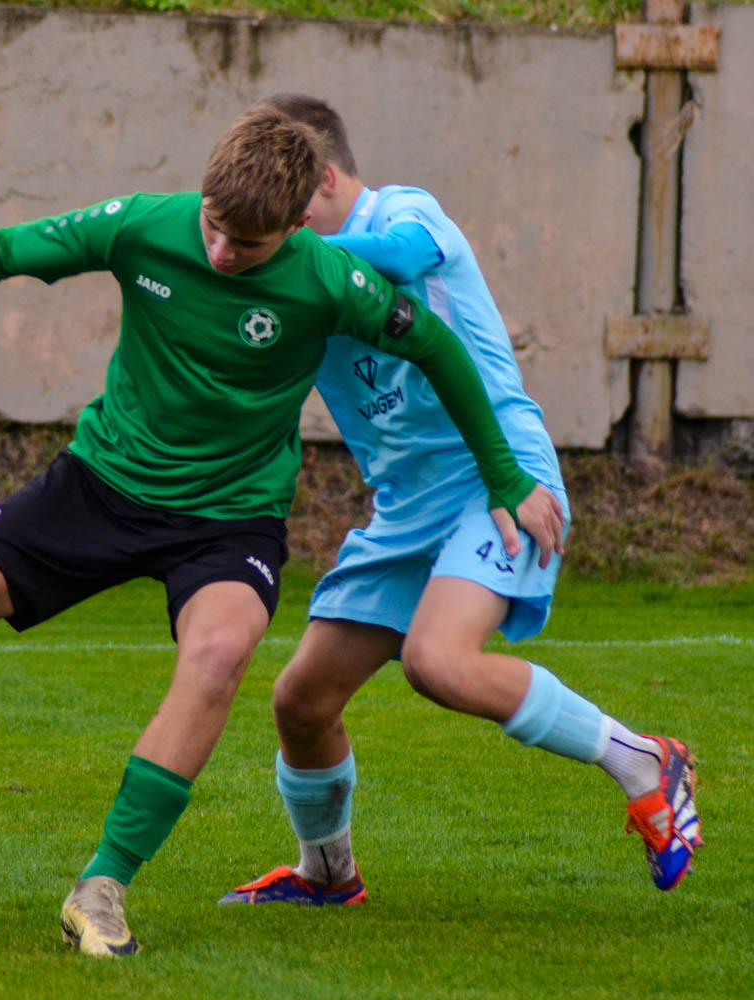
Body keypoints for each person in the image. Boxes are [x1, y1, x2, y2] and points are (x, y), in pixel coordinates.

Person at [0, 106, 565, 957]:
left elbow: (436, 347)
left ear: (293, 226)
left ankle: (102, 885)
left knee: (220, 654)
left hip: (228, 519)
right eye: (213, 226)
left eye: (246, 242)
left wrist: (506, 476)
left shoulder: (330, 278)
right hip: (98, 485)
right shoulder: (142, 226)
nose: (221, 250)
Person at [218, 94, 701, 909]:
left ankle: (644, 761)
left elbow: (402, 256)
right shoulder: (293, 272)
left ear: (325, 178)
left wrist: (291, 253)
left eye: (289, 217)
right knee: (301, 701)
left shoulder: (401, 213)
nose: (279, 235)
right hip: (403, 510)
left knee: (436, 663)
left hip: (499, 479)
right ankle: (325, 874)